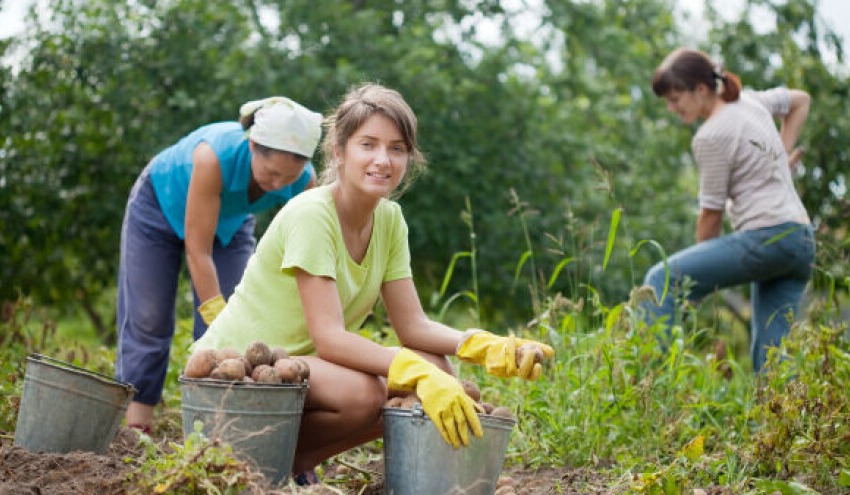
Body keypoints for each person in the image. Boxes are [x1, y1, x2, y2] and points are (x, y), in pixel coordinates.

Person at [192, 83, 554, 486]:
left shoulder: (389, 220)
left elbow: (413, 326)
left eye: (397, 148)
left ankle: (282, 469)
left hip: (298, 371)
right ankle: (249, 466)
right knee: (365, 394)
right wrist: (410, 369)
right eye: (368, 144)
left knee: (436, 368)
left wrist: (482, 345)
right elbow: (329, 338)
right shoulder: (312, 215)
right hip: (235, 378)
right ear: (339, 151)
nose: (383, 160)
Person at [115, 97, 323, 432]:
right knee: (149, 317)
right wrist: (216, 320)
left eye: (289, 177)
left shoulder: (305, 181)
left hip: (230, 223)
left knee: (241, 320)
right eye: (271, 173)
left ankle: (219, 429)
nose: (279, 184)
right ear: (253, 145)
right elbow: (198, 251)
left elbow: (304, 250)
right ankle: (136, 424)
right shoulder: (212, 157)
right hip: (158, 210)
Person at [640, 48, 816, 372]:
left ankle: (649, 393)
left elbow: (711, 215)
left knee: (661, 279)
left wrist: (696, 285)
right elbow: (801, 100)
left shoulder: (711, 134)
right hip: (800, 241)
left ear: (701, 89)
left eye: (676, 98)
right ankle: (781, 421)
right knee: (771, 361)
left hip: (767, 237)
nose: (671, 107)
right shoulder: (751, 101)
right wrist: (781, 153)